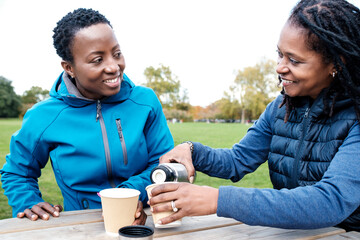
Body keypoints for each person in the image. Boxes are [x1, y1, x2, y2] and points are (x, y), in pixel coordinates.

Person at [148, 0, 360, 232]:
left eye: (294, 60)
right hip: (295, 233)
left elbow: (330, 201)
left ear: (337, 62)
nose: (280, 67)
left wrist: (217, 200)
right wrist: (191, 151)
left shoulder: (355, 116)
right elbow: (237, 161)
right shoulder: (280, 108)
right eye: (280, 54)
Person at [0, 8, 174, 223]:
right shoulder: (44, 116)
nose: (113, 67)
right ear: (69, 67)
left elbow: (165, 164)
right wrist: (27, 202)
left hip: (148, 221)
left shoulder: (144, 101)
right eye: (97, 60)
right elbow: (18, 172)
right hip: (80, 224)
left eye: (117, 53)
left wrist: (130, 193)